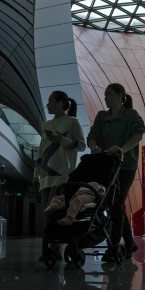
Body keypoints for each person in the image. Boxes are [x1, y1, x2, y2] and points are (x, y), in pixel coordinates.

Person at [87, 83, 145, 262]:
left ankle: (114, 243)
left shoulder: (131, 115)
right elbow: (91, 137)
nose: (105, 98)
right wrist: (94, 147)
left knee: (117, 201)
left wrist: (122, 149)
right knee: (112, 203)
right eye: (105, 95)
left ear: (121, 96)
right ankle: (129, 242)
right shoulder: (101, 116)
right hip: (106, 165)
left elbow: (138, 135)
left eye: (109, 95)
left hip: (125, 165)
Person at [35, 91, 86, 258]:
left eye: (50, 101)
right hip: (45, 176)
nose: (48, 105)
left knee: (56, 211)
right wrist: (36, 172)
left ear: (59, 103)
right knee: (46, 213)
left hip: (63, 174)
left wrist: (62, 140)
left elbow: (81, 145)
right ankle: (50, 248)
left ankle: (55, 249)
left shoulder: (72, 122)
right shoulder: (46, 124)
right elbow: (41, 149)